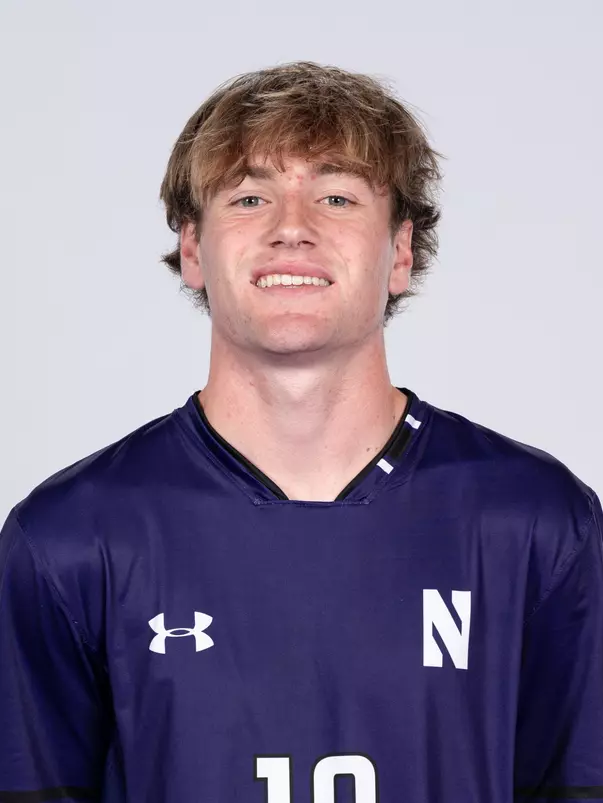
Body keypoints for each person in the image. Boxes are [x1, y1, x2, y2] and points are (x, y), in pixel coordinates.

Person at [0, 61, 601, 803]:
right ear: (193, 249)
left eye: (336, 195)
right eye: (249, 197)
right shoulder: (69, 536)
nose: (291, 227)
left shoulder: (535, 520)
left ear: (400, 252)